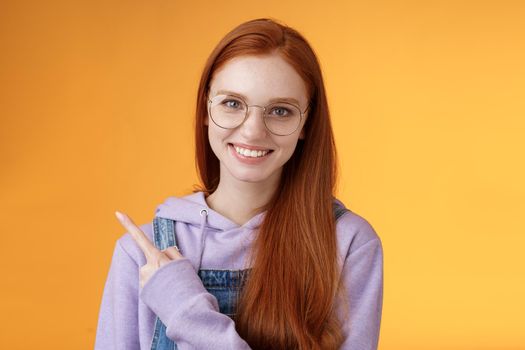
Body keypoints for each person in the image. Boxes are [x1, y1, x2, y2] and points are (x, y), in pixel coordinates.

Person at [94, 18, 383, 350]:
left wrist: (185, 311)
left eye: (280, 111)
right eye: (232, 103)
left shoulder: (348, 244)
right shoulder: (142, 255)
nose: (252, 131)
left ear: (306, 123)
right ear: (206, 107)